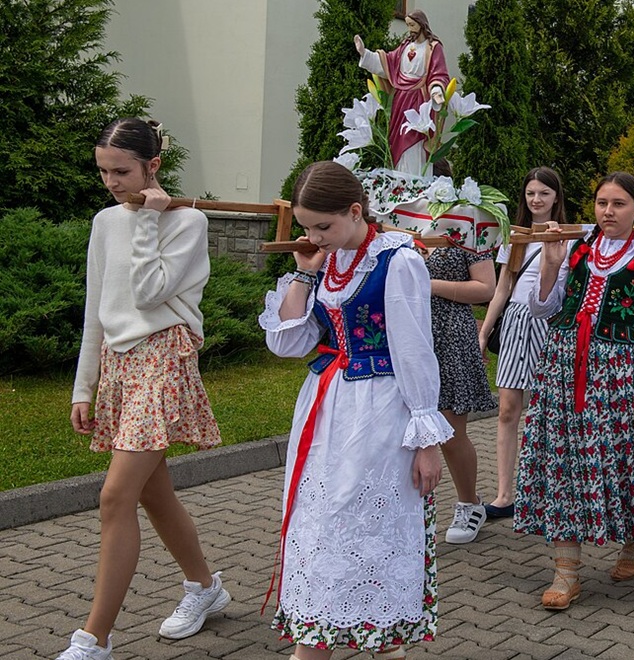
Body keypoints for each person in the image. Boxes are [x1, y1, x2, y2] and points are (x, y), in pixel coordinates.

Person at [259, 161, 450, 660]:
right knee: (319, 524)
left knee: (367, 526)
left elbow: (414, 351)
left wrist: (426, 441)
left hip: (382, 410)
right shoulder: (328, 261)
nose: (315, 236)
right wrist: (304, 271)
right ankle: (315, 636)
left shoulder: (398, 259)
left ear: (355, 210)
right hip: (328, 410)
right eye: (306, 227)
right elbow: (290, 343)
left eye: (323, 226)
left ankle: (381, 640)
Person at [61, 118, 227, 660]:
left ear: (153, 167)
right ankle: (205, 588)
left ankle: (94, 639)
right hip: (119, 364)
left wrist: (151, 220)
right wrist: (83, 387)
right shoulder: (106, 221)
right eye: (103, 170)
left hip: (162, 358)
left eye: (122, 170)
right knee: (153, 492)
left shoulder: (188, 222)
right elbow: (98, 310)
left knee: (115, 495)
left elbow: (149, 289)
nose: (111, 181)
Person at [514, 172, 634, 611]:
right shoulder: (574, 248)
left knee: (621, 465)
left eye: (617, 204)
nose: (607, 212)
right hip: (561, 370)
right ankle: (566, 572)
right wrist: (551, 265)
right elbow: (543, 308)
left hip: (620, 378)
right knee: (563, 464)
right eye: (600, 203)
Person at [477, 167, 564, 520]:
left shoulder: (569, 237)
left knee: (551, 411)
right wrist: (483, 333)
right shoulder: (515, 237)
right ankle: (504, 494)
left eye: (544, 192)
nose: (537, 199)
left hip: (551, 322)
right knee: (508, 409)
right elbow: (501, 290)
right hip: (515, 320)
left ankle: (550, 489)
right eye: (531, 193)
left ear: (556, 197)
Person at [425, 205, 498, 544]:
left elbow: (486, 288)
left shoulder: (467, 226)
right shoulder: (392, 225)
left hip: (450, 333)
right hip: (405, 331)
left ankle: (470, 504)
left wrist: (429, 285)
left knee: (451, 431)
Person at [354, 10, 449, 174]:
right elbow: (387, 64)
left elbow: (438, 74)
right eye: (408, 25)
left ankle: (416, 182)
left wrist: (436, 91)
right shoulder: (405, 46)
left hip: (420, 102)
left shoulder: (433, 47)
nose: (410, 28)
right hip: (400, 102)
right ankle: (399, 183)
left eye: (412, 25)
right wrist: (365, 53)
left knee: (415, 141)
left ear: (421, 24)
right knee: (397, 140)